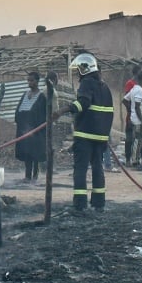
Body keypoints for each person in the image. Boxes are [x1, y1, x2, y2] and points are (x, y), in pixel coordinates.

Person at [53, 53, 113, 212]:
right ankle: (99, 203)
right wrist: (105, 137)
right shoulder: (105, 87)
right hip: (100, 137)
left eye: (78, 70)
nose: (78, 73)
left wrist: (62, 110)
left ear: (84, 69)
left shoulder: (86, 83)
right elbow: (109, 113)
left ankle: (79, 204)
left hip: (85, 135)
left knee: (80, 169)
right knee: (97, 168)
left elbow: (83, 103)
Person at [15, 72, 47, 184]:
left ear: (37, 81)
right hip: (24, 130)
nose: (30, 83)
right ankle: (27, 176)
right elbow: (18, 111)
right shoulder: (25, 95)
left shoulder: (41, 97)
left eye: (32, 80)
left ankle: (35, 176)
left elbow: (43, 115)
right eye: (28, 80)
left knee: (35, 153)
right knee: (27, 153)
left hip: (35, 130)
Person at [123, 70, 142, 168]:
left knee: (134, 141)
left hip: (133, 118)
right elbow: (137, 106)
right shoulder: (139, 90)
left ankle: (134, 159)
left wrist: (130, 110)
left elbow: (125, 100)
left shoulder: (134, 89)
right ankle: (135, 161)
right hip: (137, 120)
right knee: (138, 141)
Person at [123, 65, 140, 167]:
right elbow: (126, 100)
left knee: (136, 140)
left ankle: (134, 160)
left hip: (136, 117)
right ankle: (128, 160)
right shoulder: (130, 84)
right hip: (131, 117)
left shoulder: (137, 86)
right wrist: (130, 112)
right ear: (137, 73)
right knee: (129, 139)